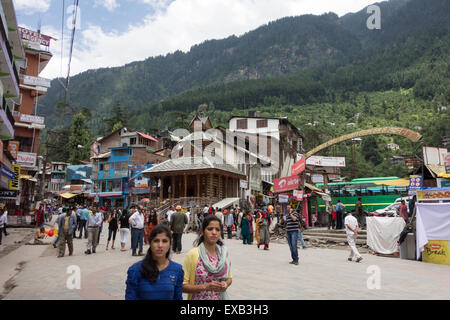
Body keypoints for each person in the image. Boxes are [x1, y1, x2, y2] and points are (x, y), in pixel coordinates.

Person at [125, 225, 184, 300]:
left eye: (164, 241)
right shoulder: (135, 270)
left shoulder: (177, 270)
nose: (160, 245)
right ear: (150, 243)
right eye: (156, 241)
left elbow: (178, 297)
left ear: (170, 244)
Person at [182, 215, 232, 300]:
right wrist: (205, 286)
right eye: (210, 229)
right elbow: (182, 286)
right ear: (202, 231)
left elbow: (229, 278)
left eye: (217, 230)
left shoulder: (223, 254)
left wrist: (225, 284)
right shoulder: (193, 254)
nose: (214, 232)